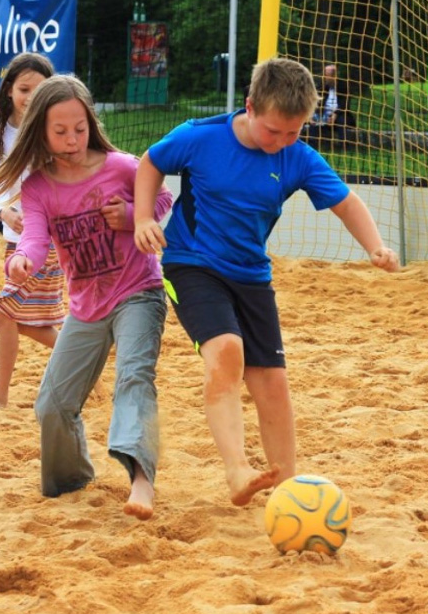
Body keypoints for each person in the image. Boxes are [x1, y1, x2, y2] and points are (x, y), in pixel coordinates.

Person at [133, 56, 399, 508]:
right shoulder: (201, 136)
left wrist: (375, 246)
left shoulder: (298, 156)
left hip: (251, 275)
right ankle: (237, 469)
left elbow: (347, 202)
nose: (282, 141)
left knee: (273, 383)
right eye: (273, 130)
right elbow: (150, 162)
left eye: (293, 132)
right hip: (191, 264)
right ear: (251, 106)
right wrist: (142, 217)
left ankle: (290, 489)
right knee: (227, 352)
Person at [0, 75, 173, 520]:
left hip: (139, 290)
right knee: (52, 406)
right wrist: (20, 262)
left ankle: (142, 481)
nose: (72, 139)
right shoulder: (39, 186)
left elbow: (163, 198)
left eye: (79, 128)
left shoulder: (121, 166)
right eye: (60, 131)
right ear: (40, 130)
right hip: (85, 306)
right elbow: (35, 239)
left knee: (133, 379)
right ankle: (74, 480)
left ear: (90, 122)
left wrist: (132, 216)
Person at [0, 52, 64, 410]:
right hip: (15, 236)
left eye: (40, 90)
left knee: (6, 312)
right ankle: (81, 353)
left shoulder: (53, 126)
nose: (30, 96)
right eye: (24, 88)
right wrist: (4, 212)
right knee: (18, 318)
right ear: (9, 90)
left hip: (47, 236)